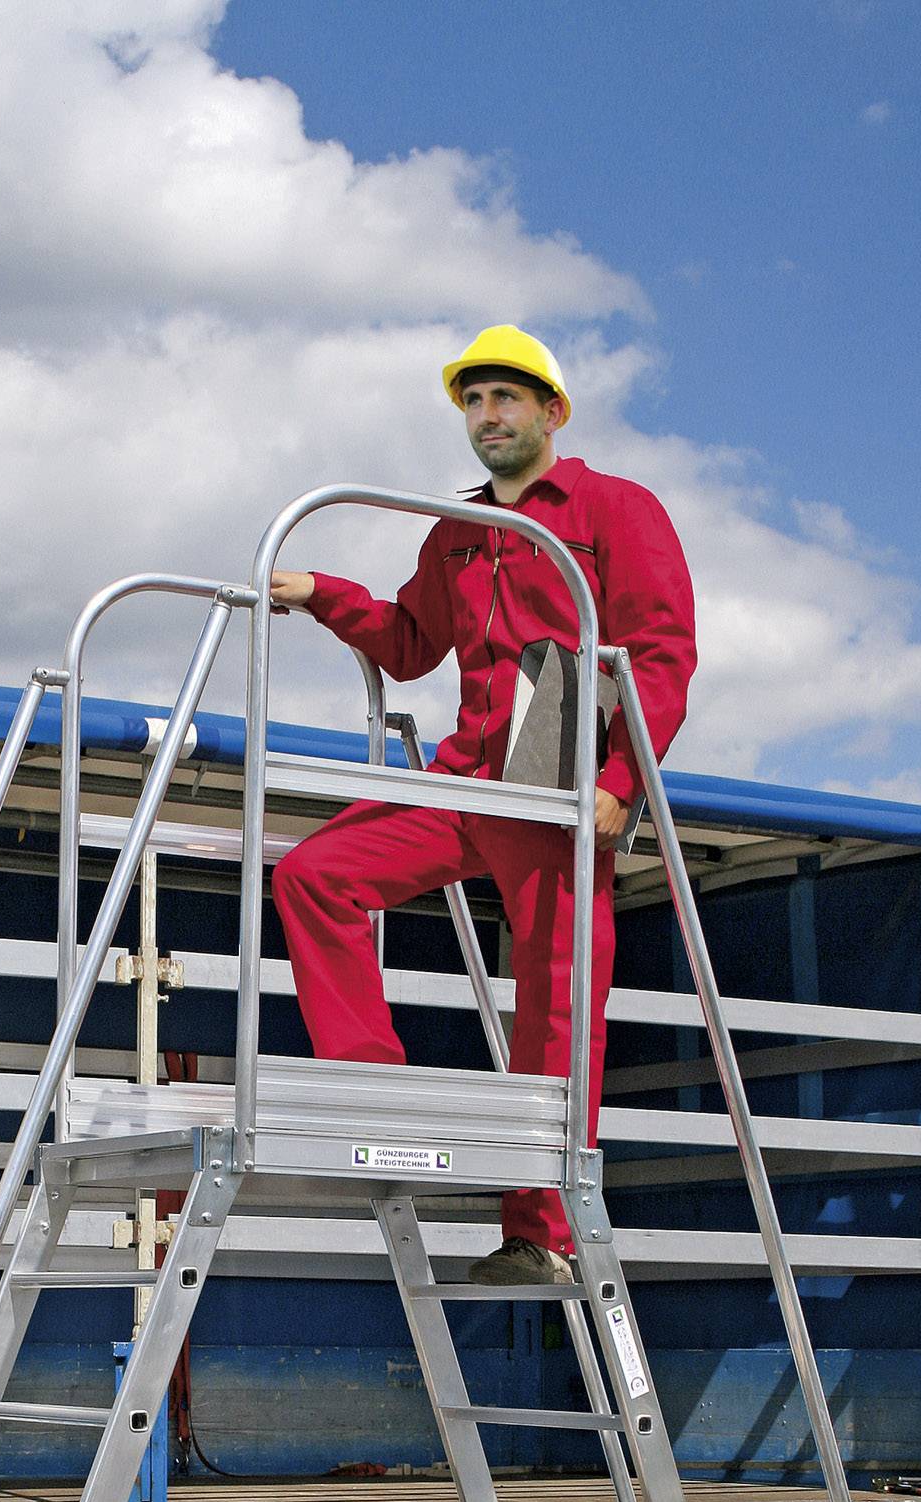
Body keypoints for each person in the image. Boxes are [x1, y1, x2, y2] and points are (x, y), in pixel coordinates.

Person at [268, 325, 696, 1285]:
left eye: (507, 398)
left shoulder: (615, 511)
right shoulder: (455, 531)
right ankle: (370, 1087)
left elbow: (661, 655)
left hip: (557, 793)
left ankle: (538, 1233)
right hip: (468, 777)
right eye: (473, 401)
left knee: (555, 1005)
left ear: (553, 412)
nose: (488, 416)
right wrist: (320, 595)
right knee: (314, 872)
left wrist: (622, 783)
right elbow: (412, 640)